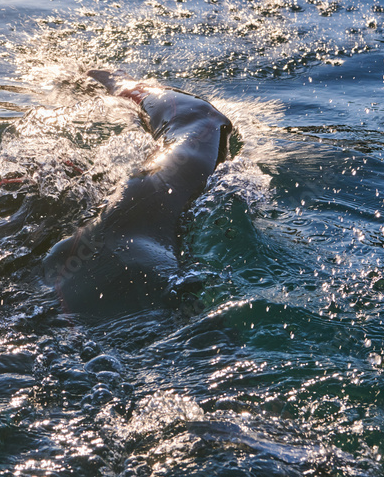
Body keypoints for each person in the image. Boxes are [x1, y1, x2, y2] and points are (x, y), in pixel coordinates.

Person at [24, 69, 234, 315]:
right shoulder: (135, 202)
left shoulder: (17, 271)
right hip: (161, 315)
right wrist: (119, 84)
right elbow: (201, 118)